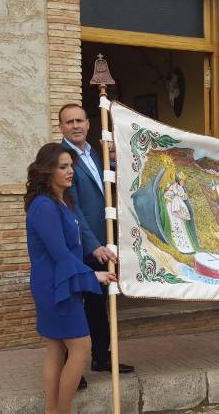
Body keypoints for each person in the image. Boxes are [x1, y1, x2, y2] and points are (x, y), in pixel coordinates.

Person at [24, 143, 118, 414]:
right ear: (47, 171)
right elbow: (60, 253)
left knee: (56, 348)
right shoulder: (44, 207)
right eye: (63, 167)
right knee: (81, 348)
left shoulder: (61, 202)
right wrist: (93, 275)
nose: (70, 172)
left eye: (71, 167)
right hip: (57, 287)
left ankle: (53, 411)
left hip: (63, 282)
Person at [58, 103, 134, 377]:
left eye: (80, 120)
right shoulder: (62, 158)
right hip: (81, 245)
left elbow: (110, 184)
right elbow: (74, 207)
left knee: (98, 304)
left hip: (103, 241)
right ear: (61, 127)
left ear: (88, 124)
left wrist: (113, 159)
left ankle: (102, 357)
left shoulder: (93, 152)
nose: (76, 126)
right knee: (73, 307)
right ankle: (70, 370)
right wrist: (93, 245)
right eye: (69, 122)